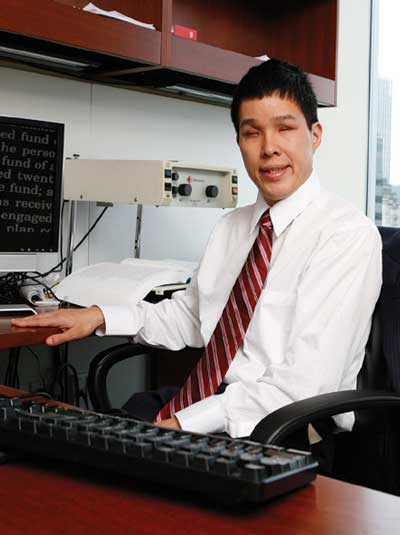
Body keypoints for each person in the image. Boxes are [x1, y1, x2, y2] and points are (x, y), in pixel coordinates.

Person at [12, 59, 382, 441]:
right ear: (239, 142)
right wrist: (100, 316)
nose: (269, 148)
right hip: (213, 403)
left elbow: (305, 383)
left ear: (315, 135)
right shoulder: (232, 227)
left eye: (285, 129)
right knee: (79, 439)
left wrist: (185, 424)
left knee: (124, 461)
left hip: (286, 426)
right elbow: (191, 317)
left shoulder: (345, 235)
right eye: (252, 133)